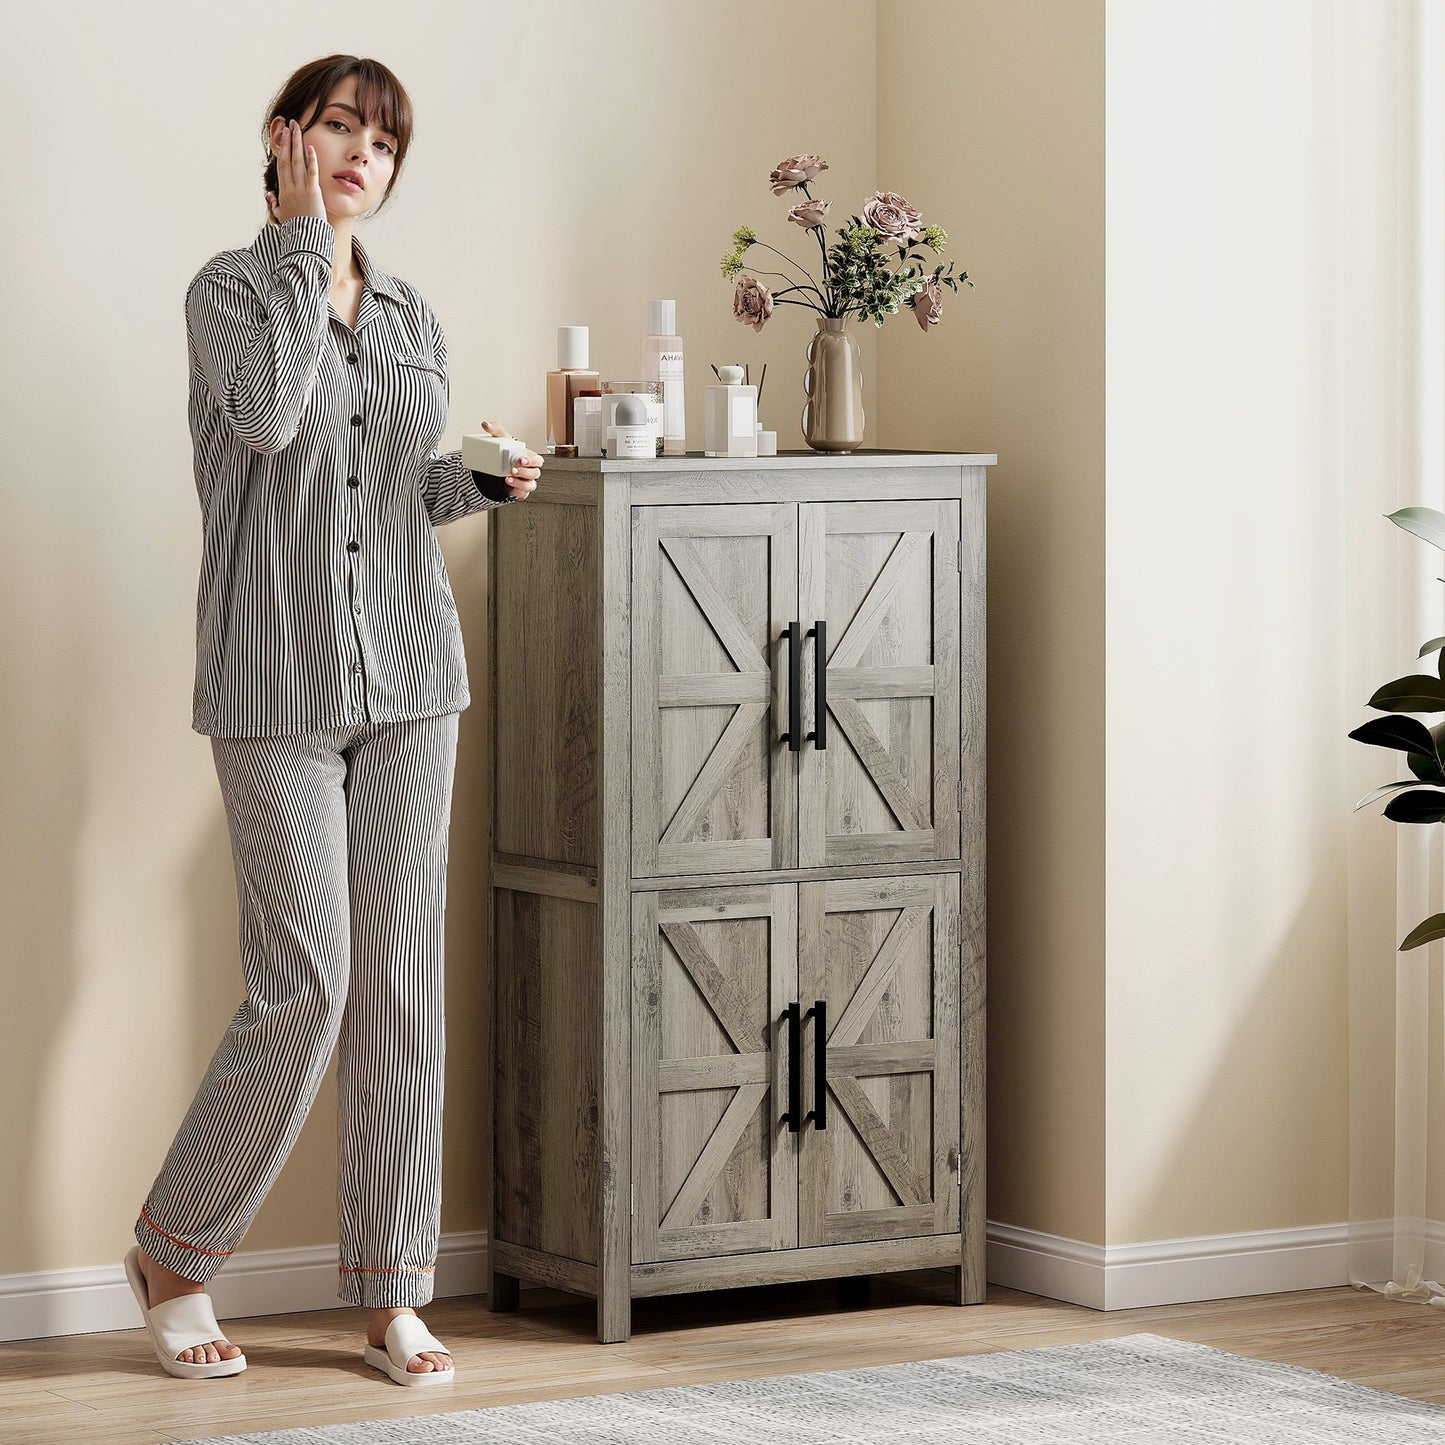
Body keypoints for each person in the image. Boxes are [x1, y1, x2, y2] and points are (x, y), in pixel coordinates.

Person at [122, 54, 541, 1387]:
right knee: (305, 982)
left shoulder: (411, 311)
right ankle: (175, 1253)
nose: (364, 152)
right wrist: (305, 245)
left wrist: (483, 476)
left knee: (401, 986)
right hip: (273, 684)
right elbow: (270, 416)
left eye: (383, 138)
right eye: (340, 126)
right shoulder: (232, 293)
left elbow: (393, 495)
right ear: (286, 137)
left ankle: (388, 1293)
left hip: (415, 677)